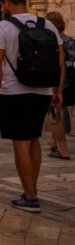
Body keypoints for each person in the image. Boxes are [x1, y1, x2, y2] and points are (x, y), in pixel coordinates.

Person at [0, 0, 65, 213]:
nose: (2, 8)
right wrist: (57, 90)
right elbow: (59, 62)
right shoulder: (47, 25)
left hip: (14, 91)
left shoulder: (3, 26)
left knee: (20, 142)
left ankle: (30, 197)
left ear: (7, 3)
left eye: (2, 4)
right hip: (43, 91)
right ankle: (32, 189)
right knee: (34, 140)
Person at [47, 12, 74, 160]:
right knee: (58, 114)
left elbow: (59, 65)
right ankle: (53, 142)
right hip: (71, 83)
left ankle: (63, 150)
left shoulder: (55, 44)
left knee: (55, 115)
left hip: (59, 84)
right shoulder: (71, 41)